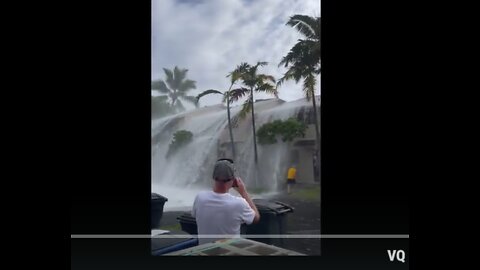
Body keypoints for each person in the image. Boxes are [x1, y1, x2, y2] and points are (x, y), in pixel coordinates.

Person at [192, 158, 260, 245]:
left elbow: (195, 215)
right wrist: (243, 192)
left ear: (213, 177)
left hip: (204, 251)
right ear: (234, 179)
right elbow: (256, 218)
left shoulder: (200, 198)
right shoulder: (239, 204)